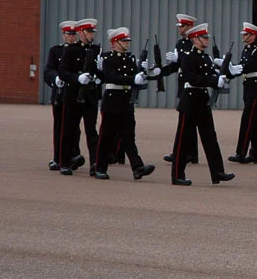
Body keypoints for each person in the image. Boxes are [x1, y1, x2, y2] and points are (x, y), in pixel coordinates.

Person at [169, 23, 235, 186]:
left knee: (210, 138)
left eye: (207, 37)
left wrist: (228, 74)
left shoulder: (206, 57)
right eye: (204, 37)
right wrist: (213, 80)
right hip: (190, 101)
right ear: (194, 39)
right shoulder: (188, 57)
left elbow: (213, 74)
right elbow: (191, 78)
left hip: (202, 101)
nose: (207, 40)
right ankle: (177, 174)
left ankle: (218, 172)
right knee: (183, 140)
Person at [92, 27, 158, 180]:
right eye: (123, 41)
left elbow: (134, 75)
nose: (127, 44)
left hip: (126, 100)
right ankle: (100, 167)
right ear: (114, 42)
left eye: (127, 41)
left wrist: (143, 73)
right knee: (106, 136)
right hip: (112, 99)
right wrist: (132, 79)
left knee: (128, 136)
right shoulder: (108, 58)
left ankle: (137, 167)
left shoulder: (130, 58)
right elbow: (111, 77)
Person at [58, 18, 102, 176]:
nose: (92, 35)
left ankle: (95, 164)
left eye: (93, 32)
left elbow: (99, 72)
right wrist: (77, 78)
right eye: (89, 32)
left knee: (92, 131)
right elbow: (63, 72)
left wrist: (98, 76)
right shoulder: (70, 50)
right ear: (81, 32)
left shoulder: (97, 50)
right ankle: (64, 162)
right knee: (69, 130)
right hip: (73, 96)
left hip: (90, 96)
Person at [161, 14, 200, 165]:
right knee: (187, 119)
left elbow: (189, 62)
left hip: (192, 84)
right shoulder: (180, 43)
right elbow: (175, 66)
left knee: (187, 120)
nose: (180, 29)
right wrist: (161, 71)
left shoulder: (194, 43)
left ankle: (184, 152)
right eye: (179, 27)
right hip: (182, 83)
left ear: (190, 27)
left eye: (183, 26)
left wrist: (180, 59)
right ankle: (190, 153)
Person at [44, 20, 80, 171]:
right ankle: (57, 158)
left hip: (74, 94)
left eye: (73, 34)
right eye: (68, 34)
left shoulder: (79, 51)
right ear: (63, 35)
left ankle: (73, 155)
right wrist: (55, 78)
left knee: (74, 127)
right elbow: (48, 70)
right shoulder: (56, 51)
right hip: (60, 94)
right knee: (59, 126)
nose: (71, 37)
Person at [226, 22, 257, 164]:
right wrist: (229, 72)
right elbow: (241, 68)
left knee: (247, 119)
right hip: (248, 87)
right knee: (254, 121)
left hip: (255, 88)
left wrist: (236, 68)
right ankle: (255, 153)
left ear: (253, 36)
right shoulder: (246, 50)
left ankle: (241, 152)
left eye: (246, 34)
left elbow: (250, 66)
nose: (243, 36)